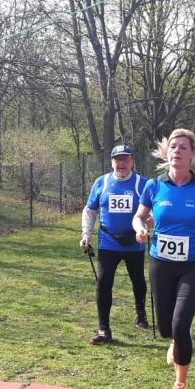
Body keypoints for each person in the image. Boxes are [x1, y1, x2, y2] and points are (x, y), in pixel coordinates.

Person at [132, 129, 195, 389]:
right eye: (173, 146)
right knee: (166, 328)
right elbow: (139, 216)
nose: (177, 151)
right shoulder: (154, 186)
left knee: (181, 324)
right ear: (167, 152)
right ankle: (175, 338)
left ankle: (180, 387)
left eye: (183, 147)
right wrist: (139, 228)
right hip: (161, 263)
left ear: (192, 155)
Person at [81, 144, 149, 345]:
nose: (121, 163)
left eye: (125, 159)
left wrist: (148, 224)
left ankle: (141, 312)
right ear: (112, 162)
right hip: (108, 242)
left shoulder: (142, 183)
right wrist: (86, 234)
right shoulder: (101, 182)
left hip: (134, 242)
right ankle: (104, 329)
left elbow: (153, 210)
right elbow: (90, 211)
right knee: (103, 283)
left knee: (138, 280)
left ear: (132, 161)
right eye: (118, 159)